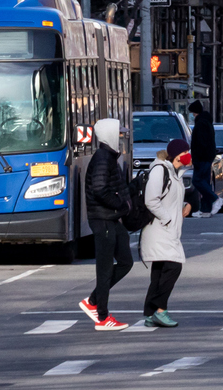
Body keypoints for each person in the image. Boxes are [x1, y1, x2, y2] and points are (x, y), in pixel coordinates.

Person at [79, 117, 135, 329]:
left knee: (125, 261)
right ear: (109, 135)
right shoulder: (103, 158)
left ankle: (93, 300)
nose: (121, 136)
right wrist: (120, 204)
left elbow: (111, 186)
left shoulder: (109, 157)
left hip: (110, 218)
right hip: (102, 219)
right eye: (118, 133)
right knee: (104, 269)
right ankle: (102, 316)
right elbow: (100, 189)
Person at [141, 137, 192, 326]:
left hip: (167, 229)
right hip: (159, 229)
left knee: (160, 271)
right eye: (187, 152)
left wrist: (187, 205)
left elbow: (171, 199)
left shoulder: (174, 172)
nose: (190, 156)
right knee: (174, 266)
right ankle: (160, 309)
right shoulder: (160, 170)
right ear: (179, 155)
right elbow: (151, 200)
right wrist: (168, 218)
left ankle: (150, 312)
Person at [188, 101, 219, 215]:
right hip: (207, 156)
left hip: (201, 157)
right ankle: (206, 209)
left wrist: (196, 157)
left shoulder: (200, 123)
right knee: (205, 181)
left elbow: (200, 142)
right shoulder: (207, 122)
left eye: (192, 112)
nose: (192, 115)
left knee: (197, 180)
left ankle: (215, 199)